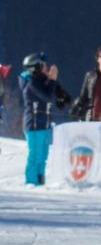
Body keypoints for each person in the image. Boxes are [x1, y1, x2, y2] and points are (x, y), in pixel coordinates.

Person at [19, 54, 71, 186]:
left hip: (44, 125)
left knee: (43, 157)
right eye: (43, 65)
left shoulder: (42, 81)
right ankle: (31, 183)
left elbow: (56, 91)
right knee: (35, 156)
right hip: (34, 126)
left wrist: (64, 98)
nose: (46, 67)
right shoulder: (31, 84)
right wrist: (53, 79)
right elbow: (47, 96)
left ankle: (40, 183)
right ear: (36, 67)